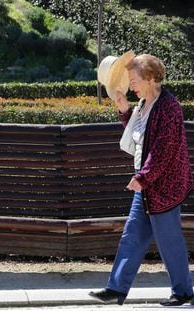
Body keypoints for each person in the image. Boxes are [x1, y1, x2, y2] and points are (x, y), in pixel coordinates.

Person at [89, 52, 194, 306]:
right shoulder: (144, 104)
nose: (130, 85)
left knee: (169, 241)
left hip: (164, 187)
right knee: (132, 236)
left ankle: (184, 291)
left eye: (134, 80)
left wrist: (143, 177)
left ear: (149, 78)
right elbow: (138, 136)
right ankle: (116, 288)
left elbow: (163, 149)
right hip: (147, 186)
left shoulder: (168, 107)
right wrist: (125, 111)